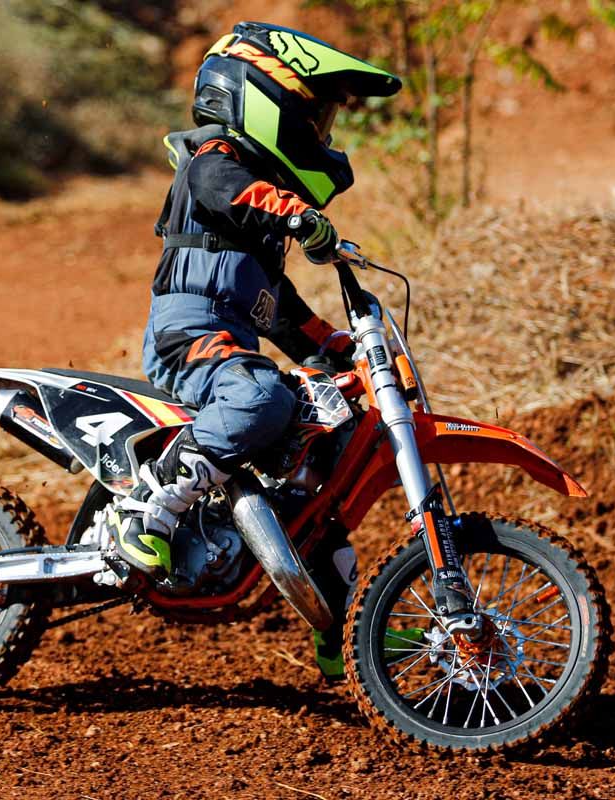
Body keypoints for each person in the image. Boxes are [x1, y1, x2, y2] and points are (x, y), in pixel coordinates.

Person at [88, 21, 403, 679]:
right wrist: (292, 213)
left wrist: (338, 350)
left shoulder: (257, 241)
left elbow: (280, 313)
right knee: (258, 395)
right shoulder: (214, 160)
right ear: (262, 97)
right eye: (316, 117)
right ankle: (149, 508)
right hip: (189, 339)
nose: (323, 135)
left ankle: (347, 628)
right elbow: (222, 191)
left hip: (232, 345)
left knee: (318, 450)